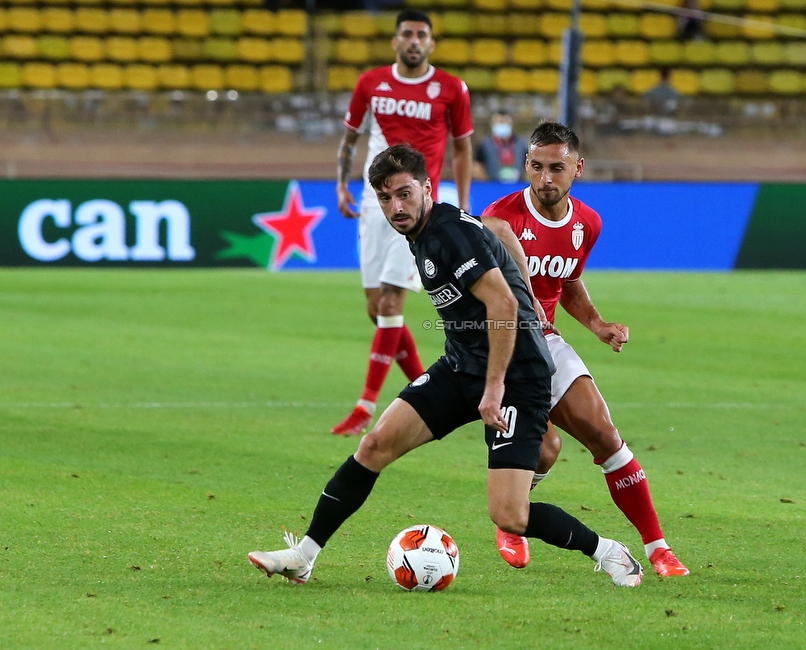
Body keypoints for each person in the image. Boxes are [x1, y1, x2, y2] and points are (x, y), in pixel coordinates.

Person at [248, 144, 644, 588]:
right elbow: (501, 234)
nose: (395, 207)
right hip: (462, 366)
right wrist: (524, 284)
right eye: (384, 198)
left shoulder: (449, 235)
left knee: (510, 516)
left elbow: (502, 303)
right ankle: (303, 556)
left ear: (426, 188)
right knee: (375, 445)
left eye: (404, 194)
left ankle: (610, 552)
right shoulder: (425, 232)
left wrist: (495, 386)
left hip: (517, 378)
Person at [481, 122, 690, 578]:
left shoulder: (587, 224)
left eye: (557, 168)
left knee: (603, 432)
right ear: (526, 166)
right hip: (498, 343)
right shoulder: (500, 217)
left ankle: (658, 549)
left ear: (578, 167)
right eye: (536, 167)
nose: (545, 179)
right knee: (546, 450)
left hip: (546, 342)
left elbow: (566, 278)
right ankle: (512, 518)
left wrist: (596, 323)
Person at [331, 9, 474, 436]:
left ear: (431, 43)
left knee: (393, 305)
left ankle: (365, 406)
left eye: (422, 34)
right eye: (407, 34)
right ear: (395, 41)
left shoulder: (451, 88)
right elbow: (350, 139)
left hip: (418, 208)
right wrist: (341, 185)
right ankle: (427, 391)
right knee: (378, 313)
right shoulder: (371, 83)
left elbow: (463, 149)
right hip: (375, 203)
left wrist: (463, 206)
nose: (414, 40)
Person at [474, 110, 529, 184]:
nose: (502, 124)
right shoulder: (484, 144)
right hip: (492, 186)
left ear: (511, 123)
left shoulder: (521, 144)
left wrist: (523, 181)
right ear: (492, 124)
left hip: (517, 185)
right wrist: (487, 184)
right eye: (499, 122)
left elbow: (528, 164)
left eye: (505, 122)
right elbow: (477, 166)